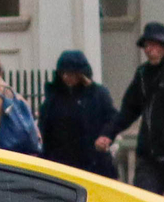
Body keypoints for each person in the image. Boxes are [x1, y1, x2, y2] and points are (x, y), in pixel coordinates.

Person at [100, 21, 164, 202]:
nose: (149, 49)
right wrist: (109, 133)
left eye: (154, 45)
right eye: (146, 45)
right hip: (149, 154)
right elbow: (129, 109)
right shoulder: (142, 75)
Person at [37, 49, 119, 177]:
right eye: (63, 73)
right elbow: (45, 126)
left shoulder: (98, 94)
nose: (66, 77)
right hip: (60, 161)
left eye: (70, 73)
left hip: (92, 162)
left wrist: (105, 136)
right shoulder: (54, 97)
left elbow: (112, 118)